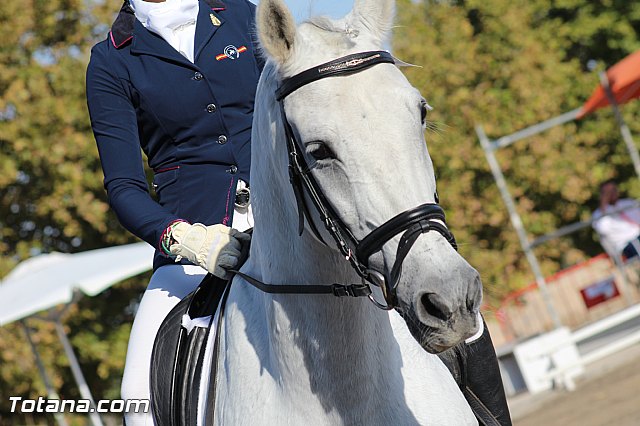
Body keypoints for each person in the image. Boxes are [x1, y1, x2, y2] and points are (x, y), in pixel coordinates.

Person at [86, 0, 262, 424]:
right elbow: (125, 188)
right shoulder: (111, 58)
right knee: (137, 398)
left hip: (290, 214)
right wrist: (187, 240)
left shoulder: (244, 14)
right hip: (195, 246)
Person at [592, 179, 640, 259]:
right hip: (627, 243)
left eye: (613, 189)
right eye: (607, 192)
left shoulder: (628, 203)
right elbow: (603, 228)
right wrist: (603, 207)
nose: (612, 193)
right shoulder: (598, 214)